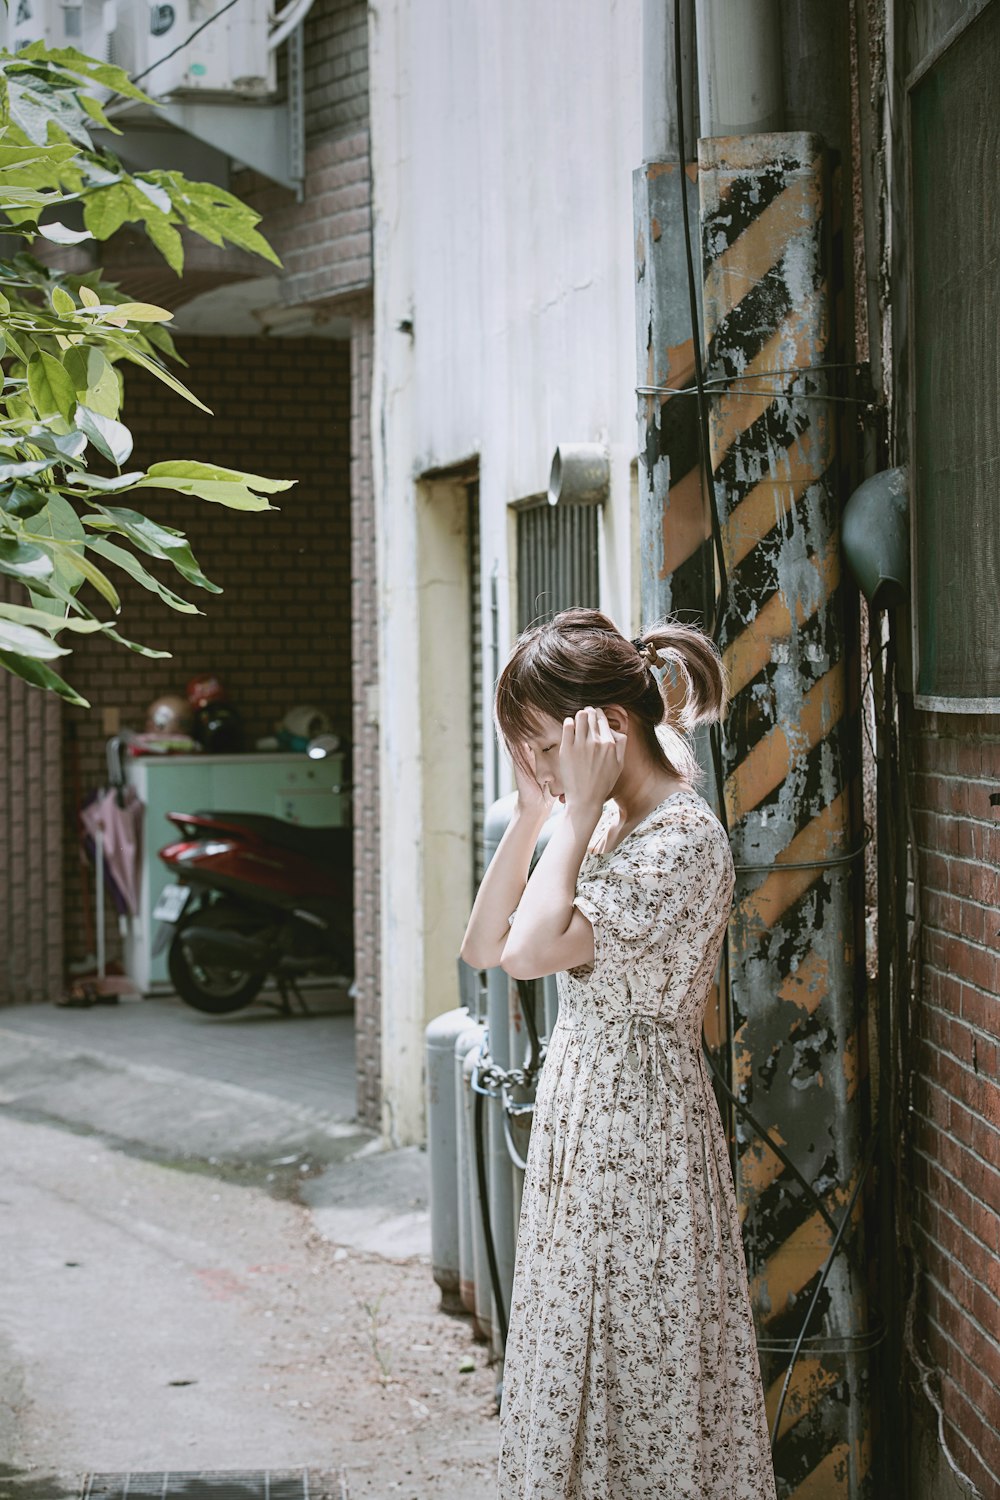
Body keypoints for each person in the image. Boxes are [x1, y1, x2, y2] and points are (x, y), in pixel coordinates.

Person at [461, 608, 777, 1500]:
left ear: (608, 729)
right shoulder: (601, 828)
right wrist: (534, 815)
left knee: (635, 1373)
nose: (536, 764)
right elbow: (486, 944)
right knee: (576, 1359)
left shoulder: (678, 841)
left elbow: (527, 954)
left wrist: (579, 810)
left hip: (639, 1136)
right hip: (590, 1118)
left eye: (540, 744)